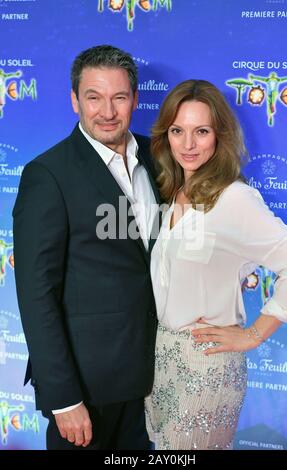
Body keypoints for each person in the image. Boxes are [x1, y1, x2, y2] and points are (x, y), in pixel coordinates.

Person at [13, 45, 160, 450]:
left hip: (155, 382)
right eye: (94, 97)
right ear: (75, 100)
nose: (107, 111)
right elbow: (35, 293)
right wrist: (63, 398)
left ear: (134, 98)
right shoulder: (48, 174)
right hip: (87, 391)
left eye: (119, 97)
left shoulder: (159, 155)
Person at [144, 79, 287, 450]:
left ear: (220, 136)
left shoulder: (235, 199)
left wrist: (253, 334)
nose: (188, 144)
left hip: (207, 368)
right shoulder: (173, 191)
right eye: (177, 131)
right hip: (160, 365)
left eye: (201, 131)